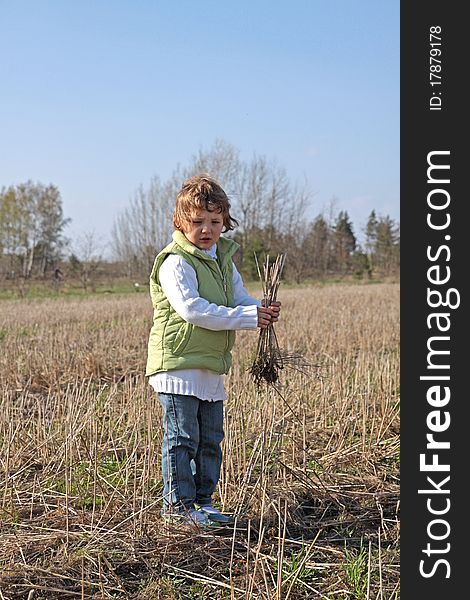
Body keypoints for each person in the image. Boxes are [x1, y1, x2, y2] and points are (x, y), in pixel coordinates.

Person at [145, 174, 281, 527]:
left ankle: (202, 504)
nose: (206, 229)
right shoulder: (176, 262)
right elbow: (193, 309)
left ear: (225, 222)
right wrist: (247, 316)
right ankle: (177, 508)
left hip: (210, 365)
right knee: (182, 438)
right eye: (197, 221)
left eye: (214, 221)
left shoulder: (223, 260)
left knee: (210, 440)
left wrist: (259, 308)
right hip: (177, 365)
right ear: (180, 222)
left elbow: (238, 299)